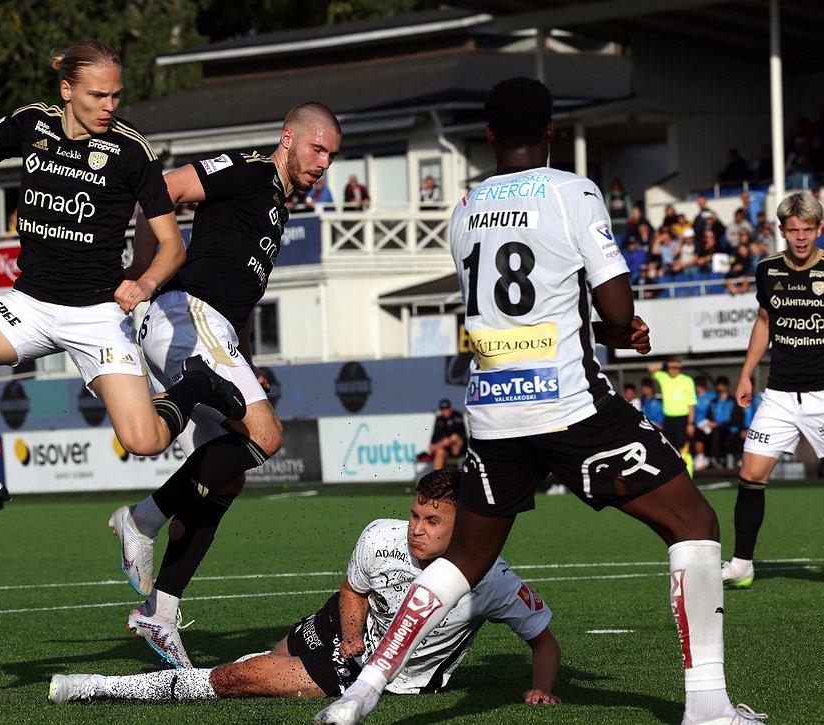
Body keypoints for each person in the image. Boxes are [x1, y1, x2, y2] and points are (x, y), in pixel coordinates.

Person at [315, 76, 761, 725]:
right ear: (551, 131)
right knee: (693, 523)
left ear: (488, 136)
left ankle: (362, 690)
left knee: (466, 556)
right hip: (568, 404)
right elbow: (614, 304)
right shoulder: (571, 191)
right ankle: (707, 706)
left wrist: (605, 325)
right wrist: (620, 329)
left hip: (494, 410)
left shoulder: (464, 209)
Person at [0, 39, 246, 552]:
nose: (110, 106)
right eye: (99, 95)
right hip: (29, 306)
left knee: (145, 441)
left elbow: (173, 246)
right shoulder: (32, 123)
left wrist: (145, 283)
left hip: (97, 315)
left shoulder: (132, 152)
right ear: (67, 91)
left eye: (116, 96)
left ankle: (196, 385)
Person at [108, 103, 342, 667]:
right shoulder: (253, 168)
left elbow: (232, 280)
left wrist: (242, 356)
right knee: (267, 434)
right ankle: (139, 519)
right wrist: (146, 273)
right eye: (318, 149)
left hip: (213, 331)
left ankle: (160, 611)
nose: (325, 164)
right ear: (289, 139)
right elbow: (160, 190)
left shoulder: (276, 202)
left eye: (332, 156)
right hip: (186, 315)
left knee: (228, 475)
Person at [55, 471, 560, 706]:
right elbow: (352, 588)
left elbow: (543, 640)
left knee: (241, 680)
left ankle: (99, 688)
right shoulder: (380, 536)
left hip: (392, 677)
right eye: (414, 514)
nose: (416, 528)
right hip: (345, 630)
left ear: (466, 525)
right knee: (272, 657)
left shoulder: (492, 579)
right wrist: (351, 632)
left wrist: (541, 687)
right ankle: (256, 665)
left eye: (432, 521)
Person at [723, 191, 824, 589]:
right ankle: (742, 564)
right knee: (750, 474)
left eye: (808, 230)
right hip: (779, 394)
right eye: (793, 230)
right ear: (782, 230)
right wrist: (747, 374)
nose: (800, 238)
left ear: (819, 229)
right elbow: (764, 320)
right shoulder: (767, 269)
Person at [650, 357, 697, 453]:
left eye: (676, 367)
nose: (673, 370)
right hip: (668, 418)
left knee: (682, 446)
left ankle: (684, 466)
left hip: (682, 418)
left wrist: (690, 423)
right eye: (671, 367)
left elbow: (691, 403)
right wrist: (665, 364)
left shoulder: (687, 380)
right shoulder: (664, 377)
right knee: (669, 445)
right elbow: (651, 368)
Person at [424, 398, 466, 470]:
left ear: (450, 408)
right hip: (447, 448)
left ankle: (435, 448)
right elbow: (435, 433)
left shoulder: (457, 416)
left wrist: (439, 443)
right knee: (440, 452)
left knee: (453, 437)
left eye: (446, 409)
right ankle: (438, 478)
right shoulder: (439, 419)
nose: (445, 411)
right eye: (443, 409)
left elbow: (455, 430)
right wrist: (432, 443)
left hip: (459, 446)